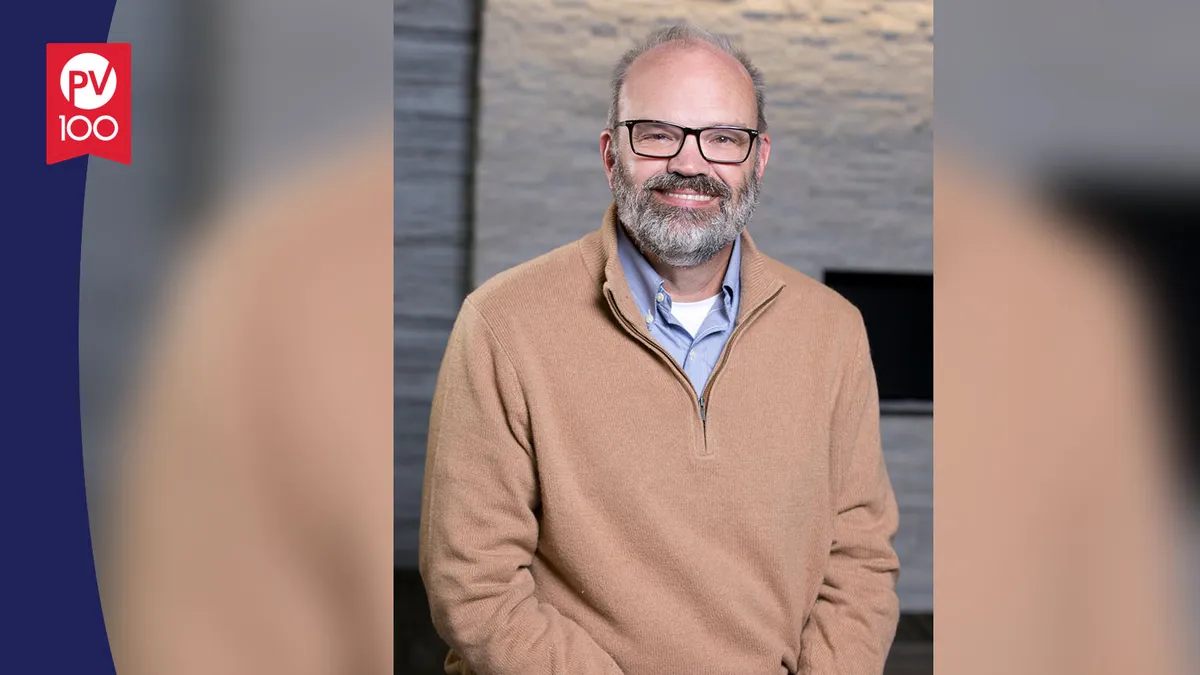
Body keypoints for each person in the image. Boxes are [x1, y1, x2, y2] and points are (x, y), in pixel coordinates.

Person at [420, 24, 900, 675]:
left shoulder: (834, 332)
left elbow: (861, 560)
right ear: (610, 153)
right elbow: (474, 585)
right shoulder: (502, 324)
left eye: (724, 138)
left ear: (758, 160)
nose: (690, 164)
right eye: (656, 132)